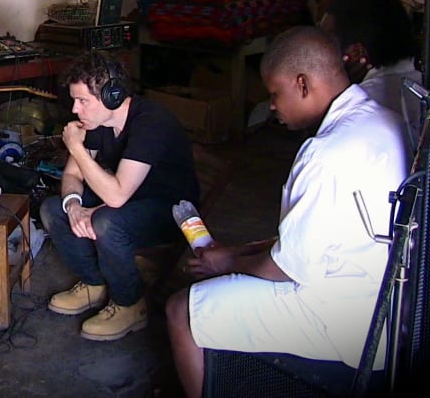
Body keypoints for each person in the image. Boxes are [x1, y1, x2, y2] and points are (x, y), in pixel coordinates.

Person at [164, 26, 410, 398]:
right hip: (386, 303)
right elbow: (320, 233)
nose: (273, 106)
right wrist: (241, 252)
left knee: (181, 310)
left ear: (303, 84)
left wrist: (227, 261)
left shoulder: (325, 153)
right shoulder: (383, 120)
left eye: (275, 94)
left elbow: (285, 267)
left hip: (346, 320)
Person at [39, 49, 199, 341]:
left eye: (83, 101)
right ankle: (94, 283)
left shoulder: (151, 123)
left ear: (112, 96)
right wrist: (73, 205)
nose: (75, 110)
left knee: (107, 222)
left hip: (171, 211)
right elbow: (72, 176)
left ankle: (130, 304)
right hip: (127, 201)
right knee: (53, 209)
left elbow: (116, 197)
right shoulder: (100, 123)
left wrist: (75, 147)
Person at [318, 0, 423, 150]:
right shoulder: (422, 83)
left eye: (326, 45)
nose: (318, 55)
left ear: (356, 52)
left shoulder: (358, 107)